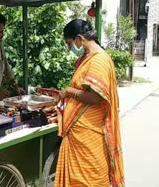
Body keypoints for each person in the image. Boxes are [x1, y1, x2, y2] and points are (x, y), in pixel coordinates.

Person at [53, 19, 124, 187]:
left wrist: (69, 91)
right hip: (80, 132)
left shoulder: (98, 60)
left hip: (89, 133)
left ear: (79, 39)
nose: (69, 48)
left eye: (69, 43)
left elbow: (94, 97)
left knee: (90, 179)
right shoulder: (88, 58)